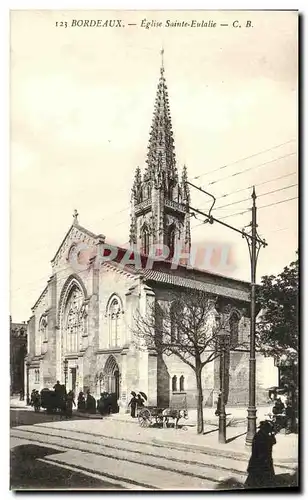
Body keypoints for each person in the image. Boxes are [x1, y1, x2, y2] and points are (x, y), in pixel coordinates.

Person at [245, 421, 276, 489]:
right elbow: (262, 449)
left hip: (263, 460)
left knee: (257, 477)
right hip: (261, 460)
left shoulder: (264, 434)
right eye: (270, 429)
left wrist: (272, 434)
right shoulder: (260, 436)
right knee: (257, 477)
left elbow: (273, 442)